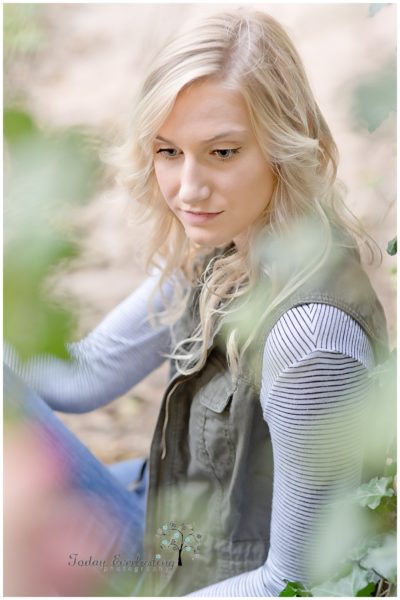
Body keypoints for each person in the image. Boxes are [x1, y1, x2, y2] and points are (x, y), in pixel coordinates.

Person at [4, 7, 390, 597]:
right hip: (175, 524)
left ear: (286, 145)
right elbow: (83, 375)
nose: (188, 190)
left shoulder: (310, 341)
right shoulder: (223, 241)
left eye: (223, 153)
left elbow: (299, 582)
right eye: (167, 152)